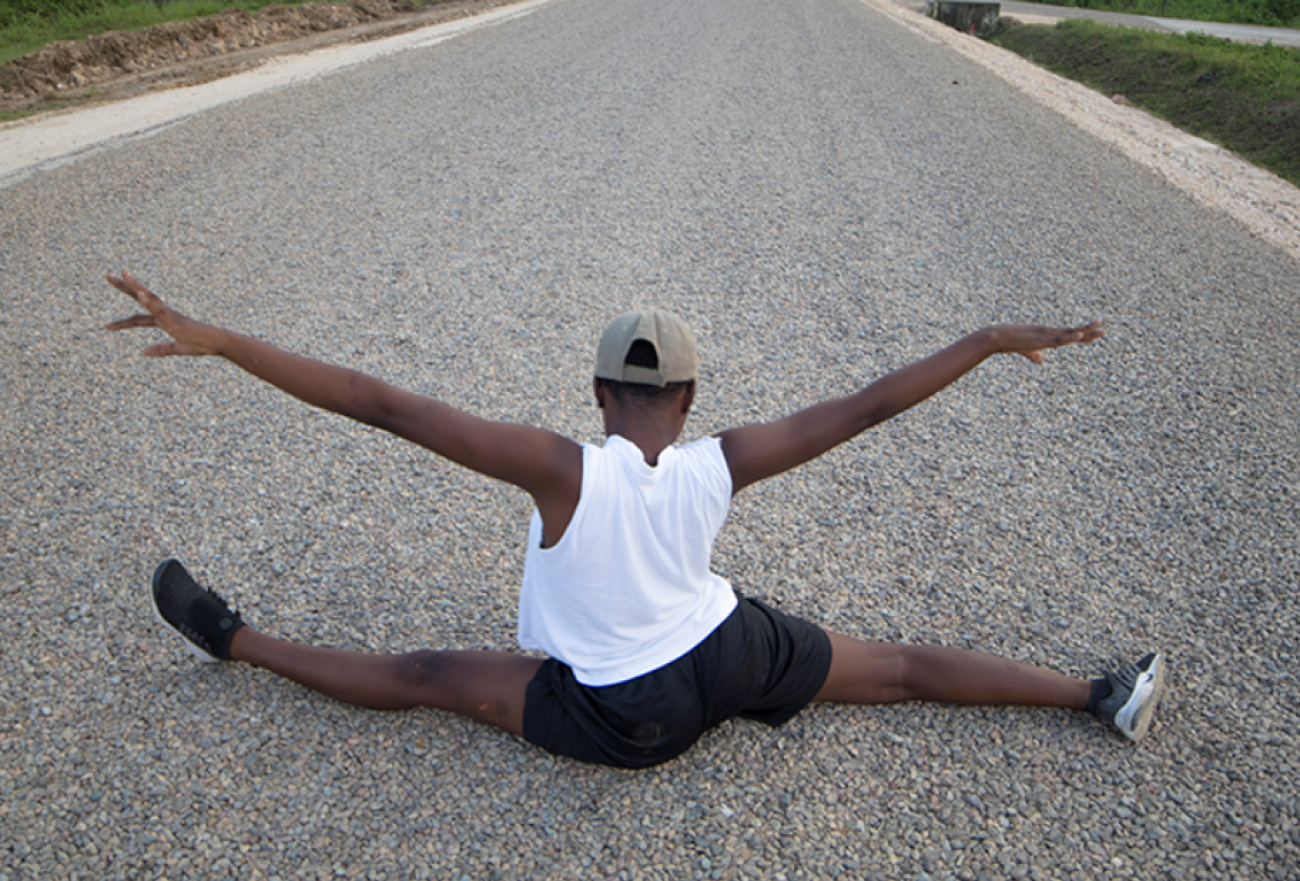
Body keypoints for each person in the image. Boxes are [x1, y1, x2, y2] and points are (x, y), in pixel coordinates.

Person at [107, 270, 1166, 769]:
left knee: (424, 675)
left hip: (631, 715)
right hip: (730, 650)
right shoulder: (722, 459)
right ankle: (1098, 693)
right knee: (894, 665)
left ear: (596, 390)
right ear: (690, 399)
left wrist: (227, 341)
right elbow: (869, 403)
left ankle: (231, 637)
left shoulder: (560, 468)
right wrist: (981, 336)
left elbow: (382, 403)